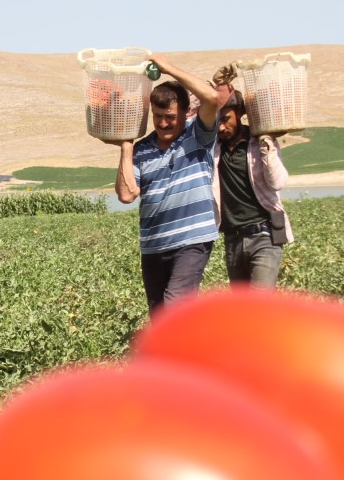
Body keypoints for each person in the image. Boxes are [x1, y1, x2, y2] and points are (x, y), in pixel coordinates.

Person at [113, 54, 220, 314]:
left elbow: (212, 98)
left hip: (191, 240)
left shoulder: (198, 135)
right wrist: (127, 146)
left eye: (170, 116)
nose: (163, 123)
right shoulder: (141, 150)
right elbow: (127, 195)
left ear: (186, 113)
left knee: (175, 307)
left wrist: (168, 69)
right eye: (158, 116)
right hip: (154, 244)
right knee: (160, 315)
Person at [211, 83, 294, 287]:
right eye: (216, 122)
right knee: (243, 310)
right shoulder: (213, 148)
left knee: (259, 305)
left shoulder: (259, 143)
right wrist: (214, 85)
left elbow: (277, 182)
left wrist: (267, 143)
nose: (221, 127)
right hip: (233, 239)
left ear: (239, 114)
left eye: (225, 119)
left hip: (264, 235)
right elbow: (191, 112)